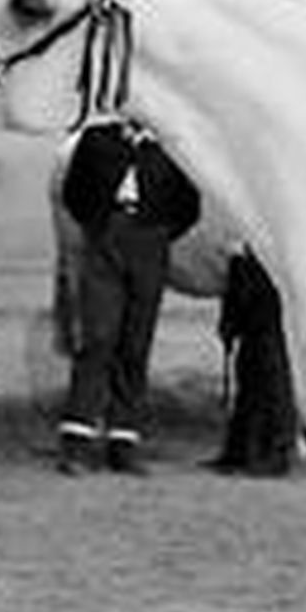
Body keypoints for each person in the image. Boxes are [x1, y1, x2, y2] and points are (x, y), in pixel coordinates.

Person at [56, 118, 201, 476]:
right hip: (105, 239)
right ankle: (77, 442)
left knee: (136, 343)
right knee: (98, 338)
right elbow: (74, 192)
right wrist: (98, 225)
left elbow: (189, 205)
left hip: (151, 245)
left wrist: (158, 232)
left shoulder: (172, 148)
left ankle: (123, 441)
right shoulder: (96, 140)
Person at [207, 247, 302, 477]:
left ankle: (276, 451)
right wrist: (229, 320)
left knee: (272, 374)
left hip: (271, 266)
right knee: (248, 370)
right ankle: (241, 449)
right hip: (250, 260)